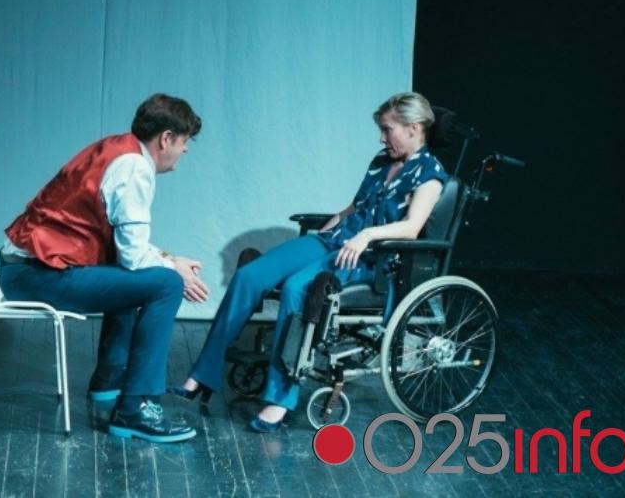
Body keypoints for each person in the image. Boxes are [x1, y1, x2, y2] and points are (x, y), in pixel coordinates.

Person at [171, 91, 448, 432]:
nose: (381, 138)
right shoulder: (381, 161)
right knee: (250, 276)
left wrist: (366, 236)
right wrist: (322, 232)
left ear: (413, 128)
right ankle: (204, 373)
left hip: (370, 259)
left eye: (387, 129)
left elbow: (411, 227)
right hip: (334, 242)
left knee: (297, 288)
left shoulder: (430, 173)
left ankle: (280, 397)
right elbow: (354, 208)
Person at [0, 93, 210, 443]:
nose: (185, 150)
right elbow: (134, 257)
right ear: (166, 138)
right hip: (37, 274)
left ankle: (109, 381)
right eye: (184, 141)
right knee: (166, 284)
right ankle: (135, 408)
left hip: (25, 268)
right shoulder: (134, 168)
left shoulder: (118, 147)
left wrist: (169, 259)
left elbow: (126, 249)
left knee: (138, 278)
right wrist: (175, 268)